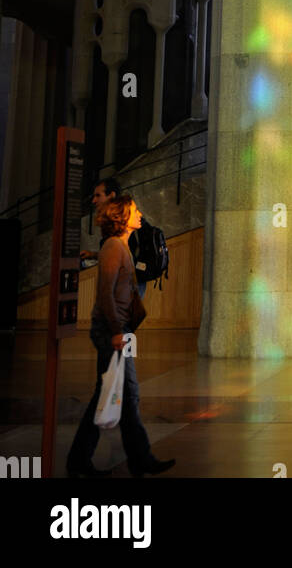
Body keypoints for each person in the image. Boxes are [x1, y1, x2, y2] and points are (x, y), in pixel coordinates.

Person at [67, 193, 175, 479]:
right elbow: (105, 295)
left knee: (118, 394)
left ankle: (121, 459)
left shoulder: (123, 246)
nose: (140, 214)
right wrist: (117, 332)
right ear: (121, 218)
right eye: (135, 210)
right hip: (113, 332)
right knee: (125, 392)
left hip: (120, 330)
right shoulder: (114, 248)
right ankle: (138, 459)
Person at [81, 177, 146, 300]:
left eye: (98, 196)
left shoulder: (119, 224)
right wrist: (93, 255)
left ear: (111, 195)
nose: (94, 200)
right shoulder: (117, 234)